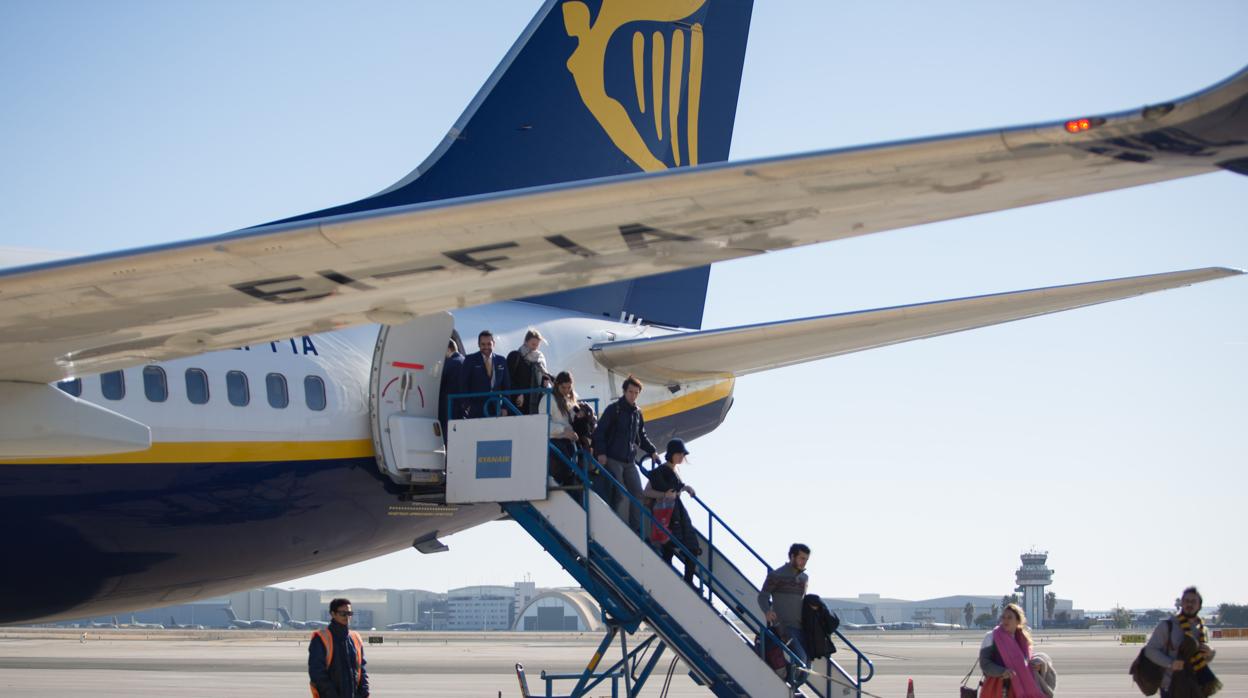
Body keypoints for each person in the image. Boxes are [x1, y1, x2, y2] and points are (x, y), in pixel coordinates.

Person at [591, 375, 659, 533]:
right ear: (624, 391)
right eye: (630, 392)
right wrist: (601, 453)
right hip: (613, 458)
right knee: (619, 493)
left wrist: (653, 451)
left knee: (638, 494)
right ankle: (611, 520)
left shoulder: (637, 413)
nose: (633, 395)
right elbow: (599, 432)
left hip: (629, 461)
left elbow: (641, 436)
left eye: (636, 393)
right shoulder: (614, 409)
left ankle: (635, 528)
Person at [642, 438, 701, 586]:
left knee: (689, 546)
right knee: (670, 546)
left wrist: (686, 488)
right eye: (679, 453)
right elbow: (647, 492)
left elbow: (676, 489)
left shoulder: (673, 469)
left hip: (676, 512)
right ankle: (674, 580)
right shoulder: (661, 470)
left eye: (683, 454)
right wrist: (664, 495)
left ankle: (687, 581)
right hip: (667, 513)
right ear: (672, 454)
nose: (682, 456)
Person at [1144, 586, 1220, 698]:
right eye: (1186, 601)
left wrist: (1211, 652)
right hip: (1171, 686)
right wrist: (1170, 663)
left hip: (1197, 686)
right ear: (1181, 604)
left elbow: (1203, 660)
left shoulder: (1203, 629)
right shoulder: (1167, 626)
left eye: (1193, 601)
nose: (1189, 604)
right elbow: (1150, 650)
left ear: (1199, 606)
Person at [759, 543, 811, 671]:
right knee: (802, 661)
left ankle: (789, 686)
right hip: (784, 627)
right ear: (792, 556)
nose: (804, 562)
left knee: (808, 666)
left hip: (801, 628)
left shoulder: (804, 578)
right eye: (802, 558)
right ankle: (788, 685)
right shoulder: (775, 575)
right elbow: (762, 596)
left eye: (806, 559)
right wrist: (767, 611)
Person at [978, 603, 1046, 698]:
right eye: (1003, 617)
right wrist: (1002, 671)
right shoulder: (991, 637)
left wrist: (1038, 666)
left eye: (1010, 617)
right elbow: (985, 663)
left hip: (1022, 687)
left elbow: (1026, 663)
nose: (1005, 620)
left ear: (1018, 621)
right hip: (998, 688)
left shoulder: (1023, 640)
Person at [308, 597, 369, 698]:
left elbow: (361, 669)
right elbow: (317, 672)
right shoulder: (321, 638)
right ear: (333, 614)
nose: (347, 617)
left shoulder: (355, 638)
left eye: (349, 614)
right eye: (343, 613)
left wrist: (363, 693)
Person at [540, 371, 581, 486]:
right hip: (554, 442)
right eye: (563, 387)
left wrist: (578, 416)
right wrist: (563, 430)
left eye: (569, 388)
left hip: (567, 441)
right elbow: (543, 424)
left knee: (572, 471)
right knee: (566, 471)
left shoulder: (569, 400)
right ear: (557, 384)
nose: (566, 390)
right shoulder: (547, 399)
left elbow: (568, 420)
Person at [460, 330, 510, 418]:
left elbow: (506, 386)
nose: (486, 347)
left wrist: (505, 407)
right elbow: (463, 384)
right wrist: (467, 406)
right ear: (478, 344)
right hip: (476, 409)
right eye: (483, 344)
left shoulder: (501, 360)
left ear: (493, 344)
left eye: (489, 344)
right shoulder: (470, 360)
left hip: (496, 408)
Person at [507, 329, 550, 414]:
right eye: (533, 344)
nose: (535, 347)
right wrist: (518, 393)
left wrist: (545, 382)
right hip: (518, 403)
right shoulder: (515, 356)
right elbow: (507, 379)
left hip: (535, 405)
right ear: (525, 342)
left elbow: (541, 379)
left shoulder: (539, 360)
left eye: (537, 345)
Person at [438, 339, 466, 435]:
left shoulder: (450, 363)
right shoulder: (465, 361)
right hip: (462, 408)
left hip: (448, 408)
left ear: (448, 349)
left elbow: (439, 383)